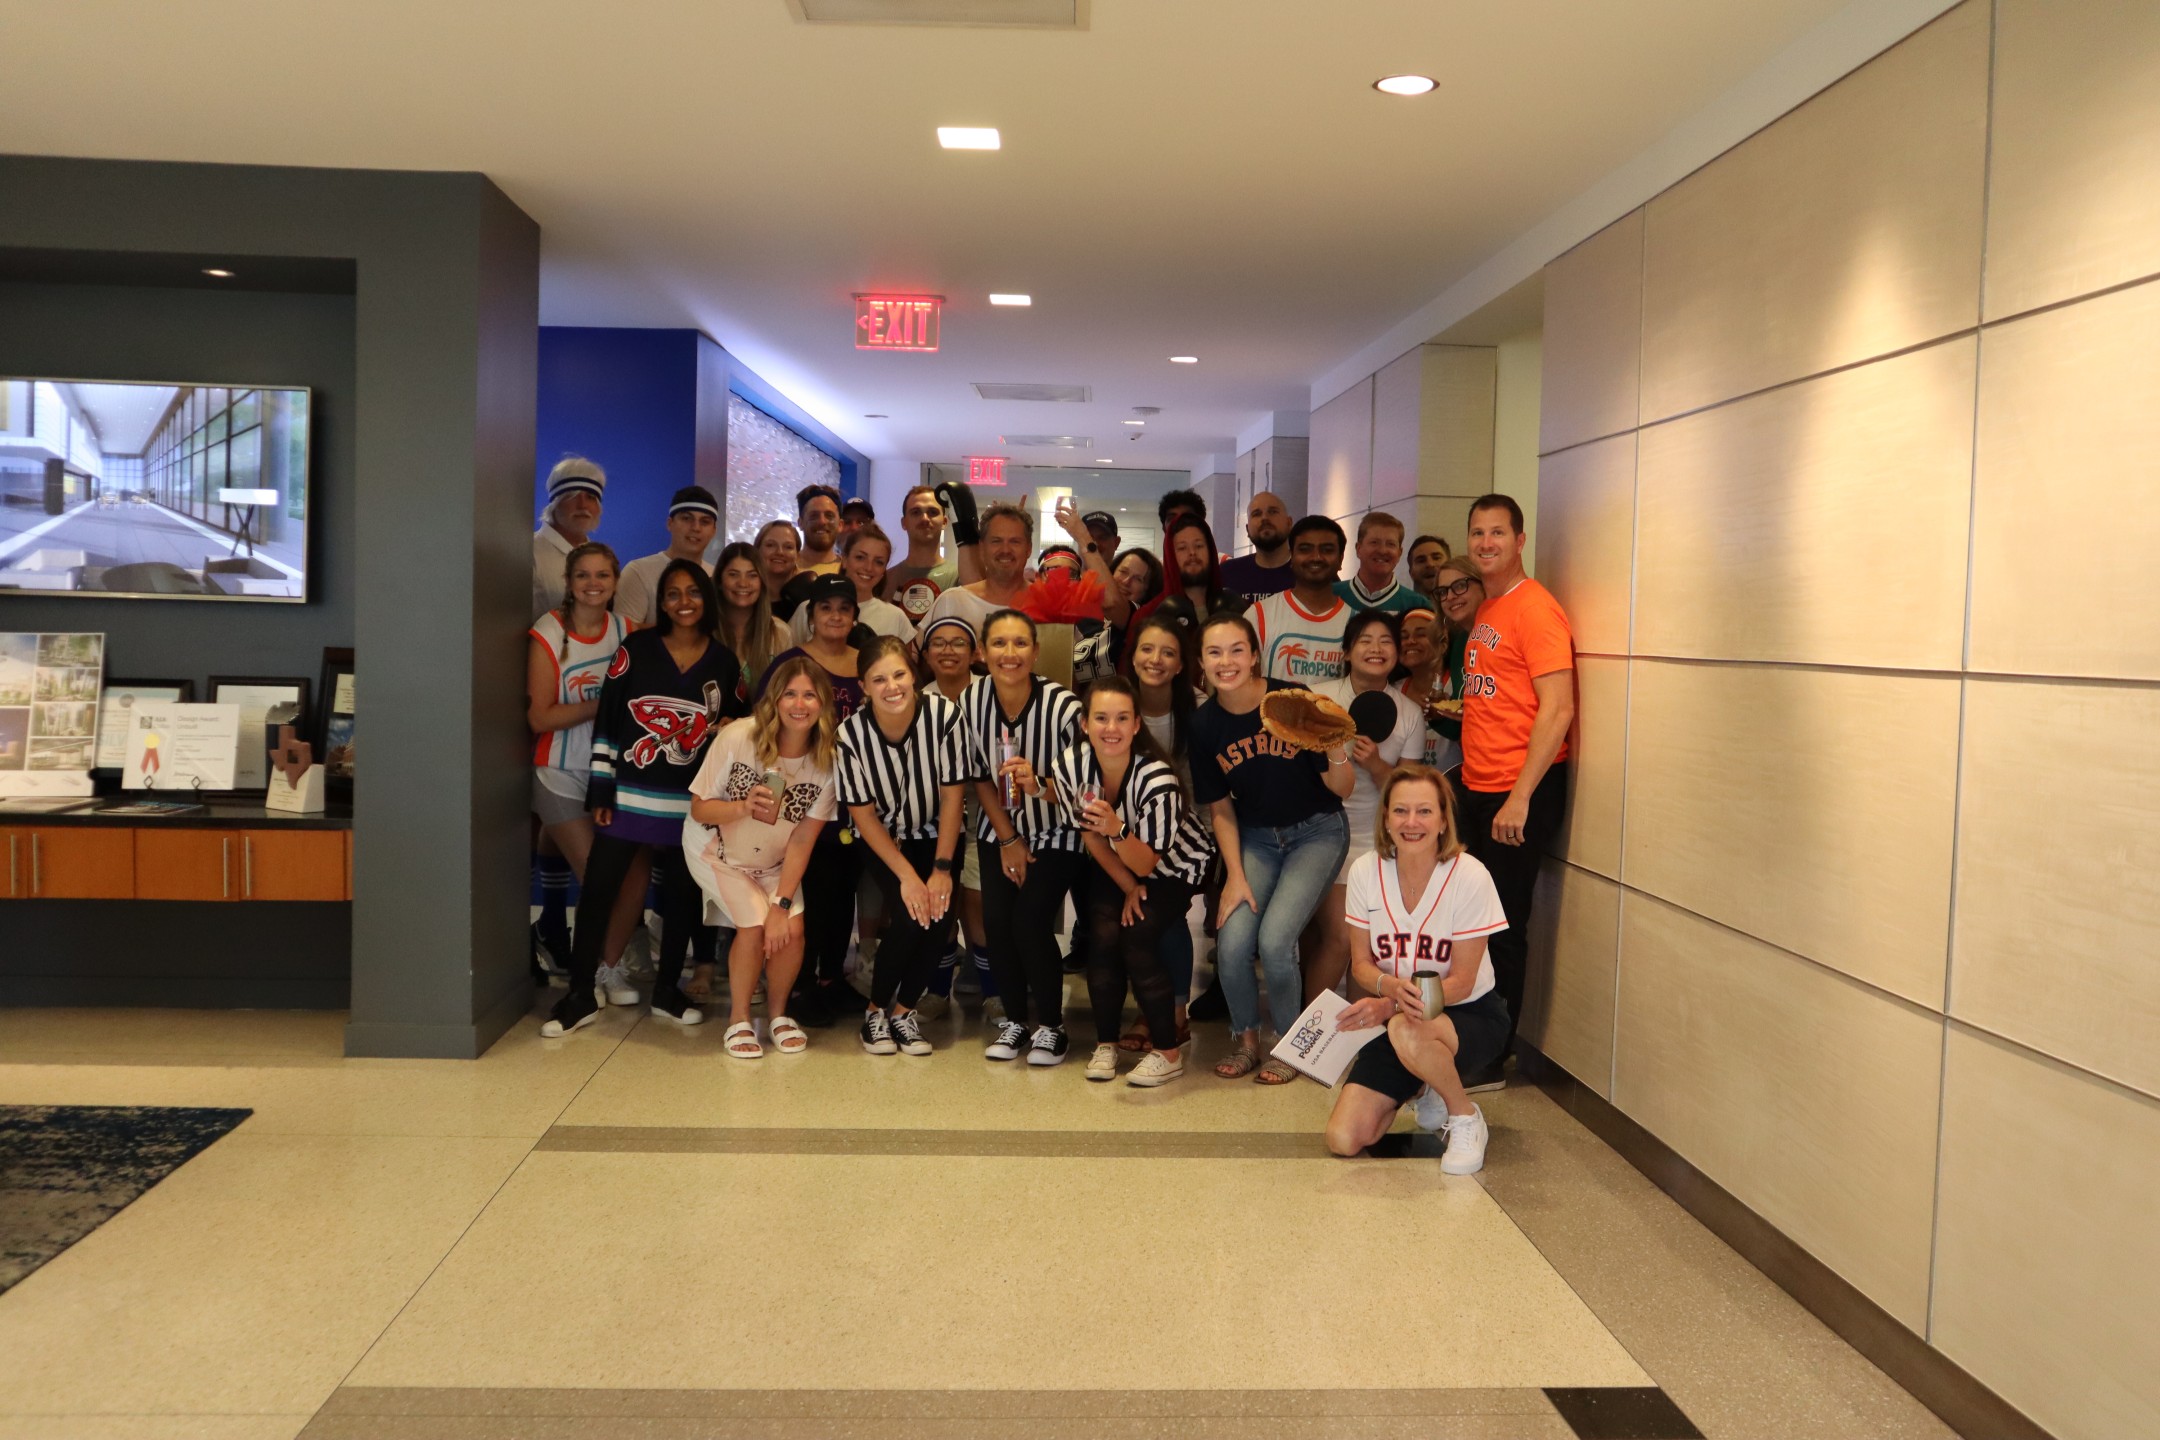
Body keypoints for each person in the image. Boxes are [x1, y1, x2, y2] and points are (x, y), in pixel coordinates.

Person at [541, 559, 745, 1038]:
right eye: (673, 594)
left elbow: (738, 727)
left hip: (690, 802)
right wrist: (601, 785)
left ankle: (667, 991)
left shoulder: (724, 662)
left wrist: (728, 729)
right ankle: (580, 993)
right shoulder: (634, 650)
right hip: (628, 794)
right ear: (662, 602)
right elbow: (609, 720)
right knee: (598, 890)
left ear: (707, 598)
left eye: (693, 592)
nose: (683, 602)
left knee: (681, 898)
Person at [1190, 612, 1352, 1082]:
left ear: (1255, 655)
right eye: (1214, 652)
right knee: (1232, 942)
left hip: (1317, 832)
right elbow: (1220, 807)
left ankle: (1287, 1043)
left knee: (1277, 942)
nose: (1226, 661)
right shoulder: (1204, 725)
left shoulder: (1289, 702)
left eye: (1236, 650)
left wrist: (1336, 744)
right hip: (1256, 840)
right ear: (1201, 662)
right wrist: (1234, 876)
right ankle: (1246, 1042)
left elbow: (1342, 789)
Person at [1324, 765, 1508, 1174]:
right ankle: (1426, 1080)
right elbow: (1361, 965)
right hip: (1400, 1017)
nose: (1411, 822)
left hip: (1470, 1014)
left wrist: (1389, 1006)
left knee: (1405, 1029)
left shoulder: (1470, 875)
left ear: (1443, 820)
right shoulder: (1365, 871)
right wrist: (1389, 988)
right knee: (1344, 1138)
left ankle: (1464, 1116)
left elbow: (1462, 982)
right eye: (1401, 811)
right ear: (1386, 819)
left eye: (1424, 811)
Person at [1457, 493, 1574, 1080]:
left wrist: (1521, 796)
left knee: (1502, 928)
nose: (1486, 543)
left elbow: (1558, 709)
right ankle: (1472, 1039)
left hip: (1517, 790)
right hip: (1480, 784)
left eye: (1498, 532)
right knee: (1475, 923)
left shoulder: (1535, 608)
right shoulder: (1490, 607)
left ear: (1520, 540)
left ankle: (1493, 1056)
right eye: (1478, 533)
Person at [1058, 676, 1213, 1087]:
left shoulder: (1158, 780)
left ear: (1137, 724)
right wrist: (1128, 886)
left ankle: (1167, 1051)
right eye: (1101, 718)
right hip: (1118, 861)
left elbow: (1147, 862)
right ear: (1084, 724)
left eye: (1122, 718)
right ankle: (1106, 1043)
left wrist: (1117, 828)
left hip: (1176, 865)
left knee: (1137, 933)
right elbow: (1091, 836)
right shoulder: (1071, 765)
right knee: (1102, 933)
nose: (1111, 728)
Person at [683, 655, 838, 1058]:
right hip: (715, 849)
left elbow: (803, 840)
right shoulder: (740, 736)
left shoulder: (827, 759)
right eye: (790, 694)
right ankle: (738, 1019)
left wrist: (782, 904)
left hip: (774, 859)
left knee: (791, 929)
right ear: (774, 699)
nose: (799, 705)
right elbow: (699, 809)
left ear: (823, 703)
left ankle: (778, 1015)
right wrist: (743, 807)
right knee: (753, 924)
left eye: (810, 695)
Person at [836, 636, 971, 1057]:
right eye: (879, 679)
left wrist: (942, 869)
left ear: (913, 676)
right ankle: (875, 1012)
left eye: (899, 675)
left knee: (938, 916)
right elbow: (863, 816)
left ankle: (904, 1011)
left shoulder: (946, 716)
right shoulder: (850, 734)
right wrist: (910, 877)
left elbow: (952, 797)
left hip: (938, 832)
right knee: (912, 917)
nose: (892, 687)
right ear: (864, 686)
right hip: (883, 838)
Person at [965, 609, 1084, 1066]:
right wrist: (1008, 838)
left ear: (1035, 652)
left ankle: (1052, 1026)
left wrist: (1038, 785)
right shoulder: (972, 701)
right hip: (999, 830)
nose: (1009, 653)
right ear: (982, 652)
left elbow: (1081, 787)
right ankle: (1015, 1021)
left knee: (1030, 921)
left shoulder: (1064, 707)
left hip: (1057, 829)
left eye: (1020, 643)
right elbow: (979, 776)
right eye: (999, 643)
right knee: (997, 923)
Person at [526, 541, 643, 984]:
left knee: (634, 876)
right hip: (559, 771)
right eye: (583, 575)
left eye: (602, 575)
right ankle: (593, 969)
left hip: (614, 775)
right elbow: (540, 717)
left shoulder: (629, 631)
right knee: (599, 878)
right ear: (568, 582)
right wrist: (607, 702)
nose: (593, 584)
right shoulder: (548, 631)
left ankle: (608, 967)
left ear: (615, 582)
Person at [761, 573, 868, 1026]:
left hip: (854, 798)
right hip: (801, 797)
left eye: (844, 608)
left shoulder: (867, 662)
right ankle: (799, 984)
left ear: (855, 616)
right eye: (826, 608)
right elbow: (765, 723)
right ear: (811, 615)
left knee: (843, 892)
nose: (835, 616)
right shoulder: (792, 662)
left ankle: (831, 978)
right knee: (810, 891)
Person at [1313, 609, 1426, 998]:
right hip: (1322, 835)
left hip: (1378, 841)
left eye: (1385, 641)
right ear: (1346, 651)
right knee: (1340, 940)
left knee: (1373, 949)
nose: (1376, 649)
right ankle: (1308, 1031)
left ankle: (1360, 1030)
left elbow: (1409, 794)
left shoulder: (1409, 714)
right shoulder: (1320, 699)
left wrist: (1377, 765)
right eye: (1365, 640)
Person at [913, 616, 996, 1017]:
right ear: (926, 654)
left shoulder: (990, 694)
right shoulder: (914, 699)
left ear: (975, 652)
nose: (948, 650)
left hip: (985, 815)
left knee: (978, 903)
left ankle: (994, 991)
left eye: (958, 643)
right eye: (939, 643)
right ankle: (937, 990)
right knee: (940, 906)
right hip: (933, 818)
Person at [1119, 513, 1237, 676]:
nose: (1192, 553)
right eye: (1182, 548)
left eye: (1199, 546)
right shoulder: (1149, 614)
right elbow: (1129, 677)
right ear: (1171, 555)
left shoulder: (1231, 608)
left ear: (1210, 550)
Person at [915, 501, 1034, 644]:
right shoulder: (952, 601)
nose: (1005, 550)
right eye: (996, 541)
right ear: (982, 548)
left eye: (1015, 541)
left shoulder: (1048, 603)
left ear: (1029, 549)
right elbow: (917, 653)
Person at [1250, 515, 1351, 684]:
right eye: (1305, 549)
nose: (1316, 557)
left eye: (1327, 550)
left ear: (1341, 559)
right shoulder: (1259, 615)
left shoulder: (1354, 623)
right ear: (1292, 557)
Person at [788, 522, 912, 645]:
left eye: (878, 562)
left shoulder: (896, 617)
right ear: (845, 560)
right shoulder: (808, 609)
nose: (869, 567)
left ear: (884, 570)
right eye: (860, 557)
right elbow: (788, 655)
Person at [617, 486, 720, 627]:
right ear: (670, 523)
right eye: (687, 518)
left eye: (705, 522)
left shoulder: (716, 576)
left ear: (714, 530)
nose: (696, 528)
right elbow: (623, 632)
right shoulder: (638, 572)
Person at [884, 483, 984, 624]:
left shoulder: (960, 576)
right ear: (904, 522)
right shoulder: (885, 579)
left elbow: (978, 603)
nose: (925, 518)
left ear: (944, 522)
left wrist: (965, 529)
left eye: (932, 512)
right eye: (916, 512)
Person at [712, 541, 789, 704]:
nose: (743, 583)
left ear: (762, 582)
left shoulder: (780, 632)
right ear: (719, 581)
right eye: (733, 574)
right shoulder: (704, 632)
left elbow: (786, 695)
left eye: (752, 575)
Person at [532, 456, 605, 620]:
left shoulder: (602, 559)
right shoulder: (528, 553)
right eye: (573, 495)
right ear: (555, 503)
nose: (583, 505)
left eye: (591, 497)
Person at [1335, 512, 1425, 616]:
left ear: (1399, 553)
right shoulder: (1330, 596)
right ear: (1358, 549)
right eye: (1374, 542)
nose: (1382, 551)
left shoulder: (1418, 605)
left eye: (1391, 544)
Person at [1217, 490, 1293, 601]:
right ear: (1247, 529)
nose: (1264, 518)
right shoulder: (1227, 573)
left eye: (1272, 512)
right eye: (1256, 514)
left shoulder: (1307, 572)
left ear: (1289, 523)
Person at [796, 484, 844, 574]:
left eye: (829, 516)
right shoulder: (784, 568)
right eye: (814, 516)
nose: (822, 521)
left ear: (840, 525)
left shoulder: (849, 571)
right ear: (800, 523)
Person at [756, 520, 802, 608]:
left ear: (798, 556)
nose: (780, 552)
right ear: (757, 551)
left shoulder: (810, 597)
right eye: (770, 545)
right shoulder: (744, 595)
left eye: (788, 547)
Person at [1407, 533, 1452, 609]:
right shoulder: (1404, 610)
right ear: (1411, 573)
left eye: (1436, 558)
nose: (1430, 564)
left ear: (1451, 564)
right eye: (1421, 561)